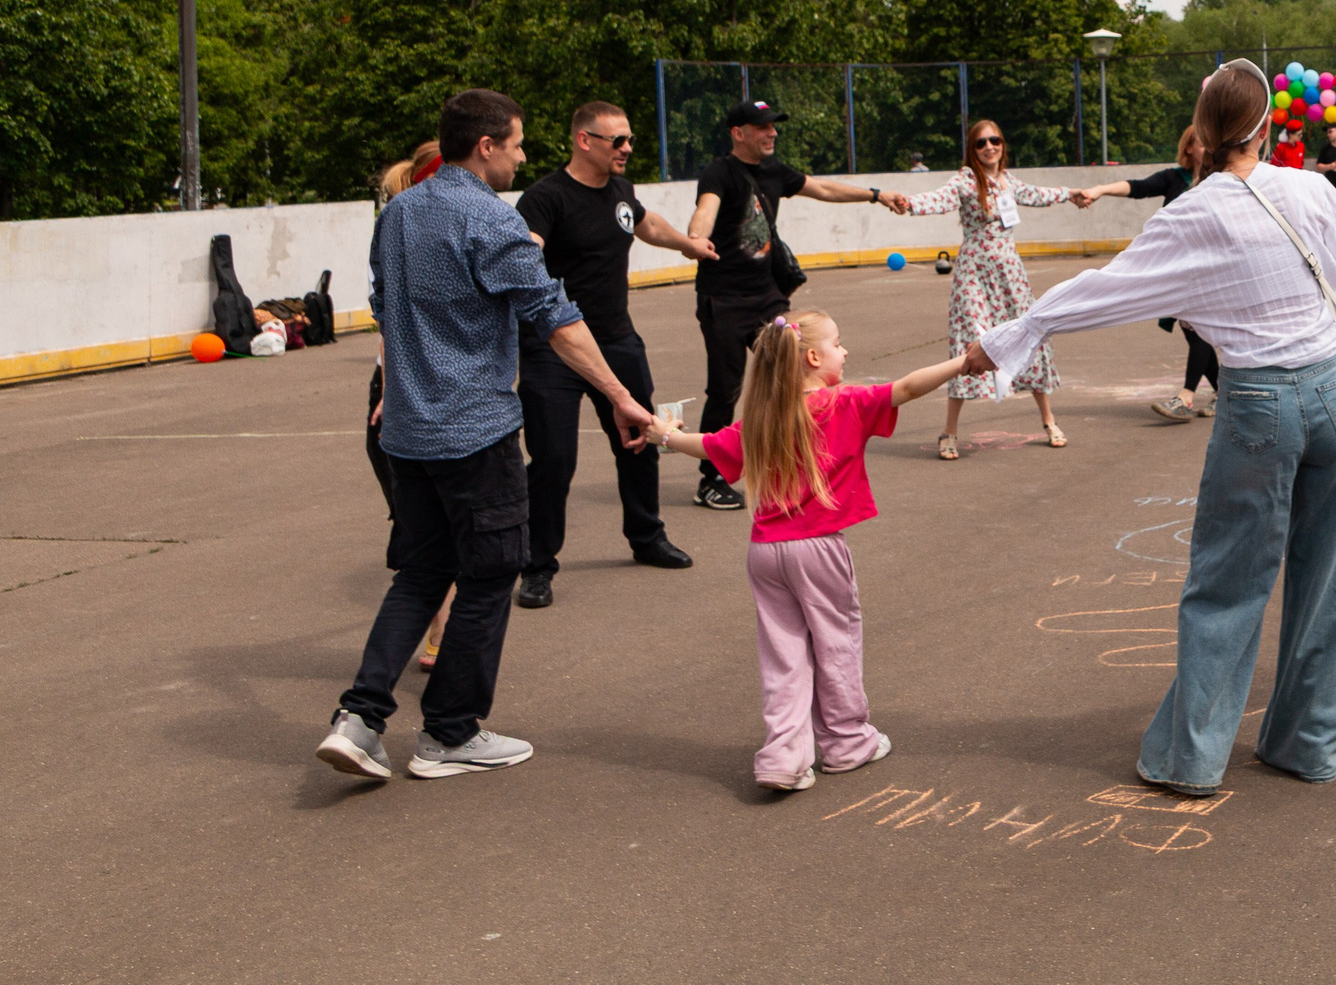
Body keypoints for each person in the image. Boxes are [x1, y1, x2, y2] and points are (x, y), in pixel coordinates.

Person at [963, 59, 1336, 797]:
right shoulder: (1308, 187)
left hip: (1258, 402)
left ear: (1204, 131)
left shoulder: (1191, 213)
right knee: (1331, 578)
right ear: (1266, 127)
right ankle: (1308, 744)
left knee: (1227, 582)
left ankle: (1193, 758)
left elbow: (1104, 289)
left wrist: (1009, 337)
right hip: (1334, 391)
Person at [316, 90, 658, 783]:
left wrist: (399, 388)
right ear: (485, 146)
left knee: (421, 572)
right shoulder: (489, 220)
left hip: (409, 433)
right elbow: (555, 318)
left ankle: (360, 718)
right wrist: (622, 397)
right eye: (517, 143)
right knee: (492, 570)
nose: (524, 156)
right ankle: (449, 731)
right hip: (474, 432)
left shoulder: (401, 211)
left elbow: (385, 305)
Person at [648, 310, 966, 790]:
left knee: (784, 656)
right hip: (818, 551)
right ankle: (845, 742)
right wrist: (963, 361)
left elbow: (708, 444)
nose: (846, 352)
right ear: (814, 357)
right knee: (836, 644)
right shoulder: (845, 404)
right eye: (839, 344)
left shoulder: (761, 418)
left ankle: (782, 757)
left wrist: (664, 436)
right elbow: (909, 386)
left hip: (765, 552)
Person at [512, 101, 715, 609]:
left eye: (630, 140)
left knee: (644, 439)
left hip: (618, 340)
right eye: (617, 141)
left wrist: (688, 245)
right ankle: (537, 565)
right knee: (554, 460)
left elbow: (645, 224)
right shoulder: (544, 198)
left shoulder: (621, 191)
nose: (627, 149)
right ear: (585, 141)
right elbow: (523, 252)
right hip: (552, 347)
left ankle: (647, 538)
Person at [687, 101, 909, 510]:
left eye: (773, 127)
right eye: (762, 128)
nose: (772, 133)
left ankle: (800, 454)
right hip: (724, 300)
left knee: (798, 374)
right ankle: (712, 479)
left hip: (768, 296)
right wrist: (695, 238)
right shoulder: (720, 171)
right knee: (726, 389)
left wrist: (876, 195)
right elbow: (707, 208)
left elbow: (822, 188)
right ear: (738, 132)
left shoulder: (774, 171)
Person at [895, 119, 1075, 458]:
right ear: (972, 149)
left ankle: (1049, 420)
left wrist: (1071, 194)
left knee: (1029, 335)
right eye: (981, 143)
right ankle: (948, 431)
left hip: (1010, 273)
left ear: (1003, 145)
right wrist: (910, 204)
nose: (989, 147)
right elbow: (940, 198)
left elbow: (1039, 194)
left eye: (995, 140)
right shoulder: (965, 180)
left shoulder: (1008, 181)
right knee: (968, 345)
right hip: (974, 273)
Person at [367, 139, 451, 671]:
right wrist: (393, 390)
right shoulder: (400, 230)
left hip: (434, 397)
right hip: (406, 395)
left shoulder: (467, 224)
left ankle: (441, 631)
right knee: (428, 533)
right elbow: (389, 323)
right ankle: (438, 628)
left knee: (442, 534)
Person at [1073, 129, 1219, 422]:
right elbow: (1137, 187)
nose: (1208, 147)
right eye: (1202, 142)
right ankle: (1224, 392)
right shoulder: (1175, 178)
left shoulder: (1219, 180)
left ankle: (1186, 397)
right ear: (1189, 147)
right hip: (1177, 269)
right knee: (1194, 334)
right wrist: (1100, 189)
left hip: (1208, 267)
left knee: (1198, 329)